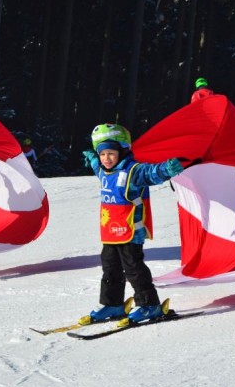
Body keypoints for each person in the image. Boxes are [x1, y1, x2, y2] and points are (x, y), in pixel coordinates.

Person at [79, 123, 185, 326]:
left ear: (123, 151)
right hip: (110, 232)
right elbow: (96, 164)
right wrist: (92, 158)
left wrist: (166, 169)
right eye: (102, 155)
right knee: (110, 268)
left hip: (130, 231)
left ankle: (149, 304)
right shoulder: (103, 170)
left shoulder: (133, 171)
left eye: (111, 154)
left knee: (133, 268)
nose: (106, 159)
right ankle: (112, 303)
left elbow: (151, 173)